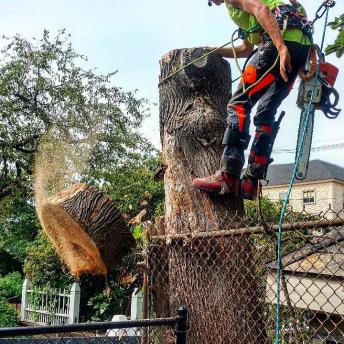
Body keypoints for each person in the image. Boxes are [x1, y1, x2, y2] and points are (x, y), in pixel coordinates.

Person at [192, 0, 312, 200]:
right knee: (265, 112)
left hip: (277, 43)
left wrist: (281, 47)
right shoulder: (239, 11)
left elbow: (261, 9)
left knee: (238, 104)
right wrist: (210, 51)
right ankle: (250, 182)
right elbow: (245, 50)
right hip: (299, 47)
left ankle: (228, 175)